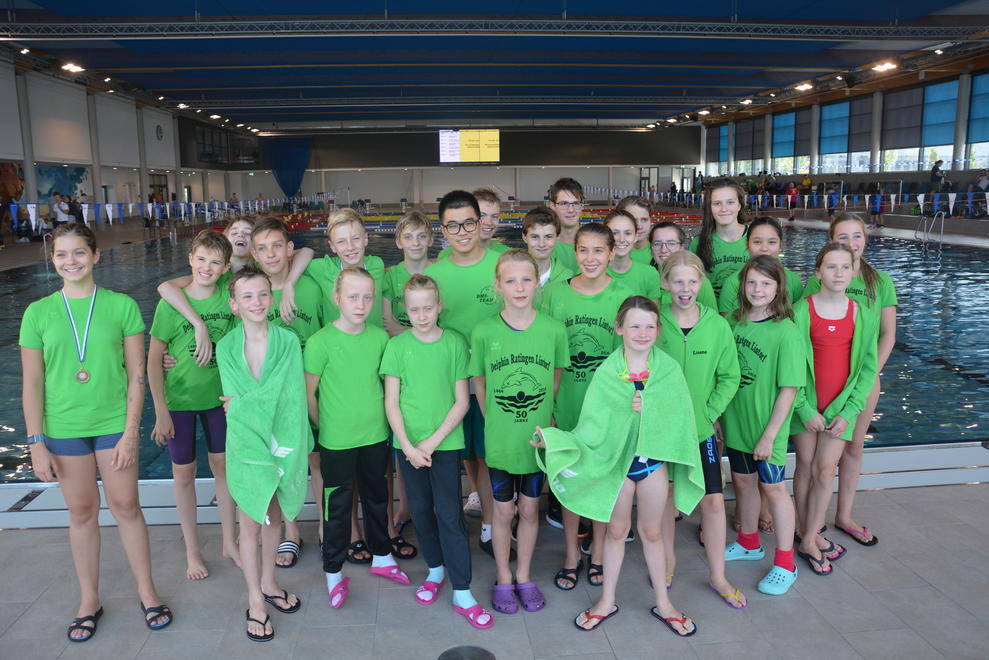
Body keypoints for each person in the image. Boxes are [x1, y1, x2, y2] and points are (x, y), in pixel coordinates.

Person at [20, 223, 172, 642]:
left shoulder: (122, 306)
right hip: (63, 427)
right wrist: (35, 442)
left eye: (78, 253)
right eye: (62, 254)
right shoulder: (37, 313)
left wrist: (130, 433)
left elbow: (137, 375)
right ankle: (89, 600)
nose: (71, 261)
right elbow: (32, 383)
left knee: (126, 506)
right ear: (53, 260)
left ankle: (147, 591)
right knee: (82, 512)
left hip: (112, 424)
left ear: (95, 256)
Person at [535, 296, 704, 636]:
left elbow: (681, 422)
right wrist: (555, 443)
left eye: (649, 326)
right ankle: (606, 600)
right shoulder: (607, 372)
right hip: (617, 463)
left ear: (658, 330)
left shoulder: (668, 370)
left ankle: (664, 603)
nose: (643, 333)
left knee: (652, 532)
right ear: (619, 328)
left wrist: (651, 406)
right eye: (635, 326)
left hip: (652, 462)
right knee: (615, 531)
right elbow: (591, 428)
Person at [380, 274, 494, 629]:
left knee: (449, 514)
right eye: (414, 309)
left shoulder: (454, 343)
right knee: (421, 511)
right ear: (405, 309)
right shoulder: (397, 347)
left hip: (443, 445)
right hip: (408, 447)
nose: (422, 315)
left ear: (439, 306)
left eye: (428, 308)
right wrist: (407, 445)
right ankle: (435, 570)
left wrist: (430, 442)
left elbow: (462, 402)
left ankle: (462, 590)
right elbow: (392, 401)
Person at [470, 249, 569, 615]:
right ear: (498, 285)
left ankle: (524, 574)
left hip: (536, 438)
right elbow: (480, 384)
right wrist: (495, 421)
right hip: (501, 439)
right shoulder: (484, 331)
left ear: (537, 283)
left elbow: (555, 379)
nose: (520, 287)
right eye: (510, 280)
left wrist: (542, 419)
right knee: (503, 512)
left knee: (529, 509)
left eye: (527, 279)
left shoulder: (553, 330)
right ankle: (503, 575)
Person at [216, 266, 312, 642]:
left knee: (273, 514)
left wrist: (243, 404)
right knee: (250, 521)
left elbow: (290, 397)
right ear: (234, 305)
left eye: (262, 294)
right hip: (246, 443)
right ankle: (255, 599)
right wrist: (243, 406)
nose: (256, 302)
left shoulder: (287, 341)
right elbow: (237, 406)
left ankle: (270, 582)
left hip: (280, 436)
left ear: (272, 299)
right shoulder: (227, 347)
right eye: (247, 296)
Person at [305, 267, 409, 609]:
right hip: (337, 441)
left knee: (378, 498)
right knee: (337, 507)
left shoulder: (380, 338)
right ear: (337, 298)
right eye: (353, 297)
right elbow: (309, 395)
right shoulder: (320, 342)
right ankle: (333, 571)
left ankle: (382, 556)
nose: (361, 304)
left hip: (376, 436)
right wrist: (327, 426)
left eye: (367, 297)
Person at [541, 223, 630, 591]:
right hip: (565, 403)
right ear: (574, 252)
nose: (590, 258)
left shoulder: (623, 296)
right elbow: (545, 353)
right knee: (570, 481)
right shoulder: (554, 293)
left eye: (598, 250)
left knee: (603, 481)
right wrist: (547, 406)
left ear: (612, 253)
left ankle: (598, 553)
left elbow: (630, 359)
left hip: (607, 410)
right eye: (583, 250)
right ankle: (571, 555)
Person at [147, 230, 238, 580]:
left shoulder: (228, 296)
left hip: (218, 400)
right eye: (200, 259)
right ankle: (193, 550)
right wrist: (160, 411)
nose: (206, 267)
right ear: (190, 259)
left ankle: (229, 541)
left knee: (224, 468)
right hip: (179, 402)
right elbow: (153, 360)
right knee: (183, 473)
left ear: (226, 267)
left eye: (215, 262)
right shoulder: (171, 304)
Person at [803, 213, 897, 547]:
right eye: (842, 237)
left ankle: (844, 516)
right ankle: (813, 522)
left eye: (856, 236)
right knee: (819, 457)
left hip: (864, 380)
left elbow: (888, 335)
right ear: (831, 241)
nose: (851, 243)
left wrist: (868, 376)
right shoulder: (820, 278)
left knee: (854, 447)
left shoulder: (879, 281)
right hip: (825, 379)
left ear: (865, 239)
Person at [657, 252, 745, 609]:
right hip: (661, 430)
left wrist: (708, 413)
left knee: (713, 500)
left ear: (702, 283)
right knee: (664, 498)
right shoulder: (654, 322)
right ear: (665, 283)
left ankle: (718, 574)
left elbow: (730, 376)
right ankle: (667, 561)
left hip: (700, 430)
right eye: (678, 281)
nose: (685, 288)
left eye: (692, 281)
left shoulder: (717, 326)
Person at [791, 243, 879, 576]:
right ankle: (806, 531)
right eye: (831, 266)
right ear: (818, 272)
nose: (838, 273)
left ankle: (809, 538)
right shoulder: (801, 310)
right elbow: (791, 365)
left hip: (841, 409)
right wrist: (804, 409)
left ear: (854, 271)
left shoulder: (861, 313)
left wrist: (849, 411)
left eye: (845, 267)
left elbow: (867, 369)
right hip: (806, 407)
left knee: (826, 471)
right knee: (805, 466)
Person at [425, 190, 502, 558]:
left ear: (480, 222)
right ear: (443, 230)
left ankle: (491, 524)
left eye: (469, 222)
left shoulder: (501, 265)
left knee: (489, 453)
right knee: (465, 453)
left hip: (495, 379)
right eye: (453, 225)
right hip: (450, 380)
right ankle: (472, 519)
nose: (463, 231)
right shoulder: (434, 274)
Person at [721, 255, 804, 596]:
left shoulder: (787, 332)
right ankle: (749, 541)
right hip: (737, 422)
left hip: (767, 428)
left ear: (779, 288)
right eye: (752, 282)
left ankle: (786, 563)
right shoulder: (733, 322)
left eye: (766, 283)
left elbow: (789, 390)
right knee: (743, 482)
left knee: (774, 489)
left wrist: (770, 435)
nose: (757, 289)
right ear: (742, 285)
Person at [248, 217, 326, 568]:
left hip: (312, 389)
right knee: (283, 465)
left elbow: (325, 333)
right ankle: (291, 532)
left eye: (277, 245)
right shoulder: (254, 292)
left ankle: (325, 528)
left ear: (289, 248)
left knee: (318, 461)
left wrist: (291, 284)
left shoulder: (310, 286)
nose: (271, 254)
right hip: (275, 397)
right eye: (262, 248)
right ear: (253, 254)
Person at [307, 208, 386, 327]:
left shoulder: (377, 265)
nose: (350, 247)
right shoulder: (324, 268)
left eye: (356, 238)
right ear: (332, 246)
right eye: (341, 242)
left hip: (375, 338)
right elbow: (298, 254)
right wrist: (289, 283)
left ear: (365, 239)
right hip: (336, 339)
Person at [718, 216, 803, 319]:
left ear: (780, 245)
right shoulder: (733, 283)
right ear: (747, 244)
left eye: (772, 242)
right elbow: (726, 325)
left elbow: (799, 318)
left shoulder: (793, 280)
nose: (764, 248)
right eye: (757, 242)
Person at [689, 179, 749, 298]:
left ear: (740, 205)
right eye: (717, 203)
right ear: (709, 207)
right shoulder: (698, 244)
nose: (724, 209)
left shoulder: (757, 238)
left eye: (730, 202)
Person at [383, 210, 434, 336]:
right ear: (399, 242)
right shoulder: (390, 277)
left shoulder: (440, 274)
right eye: (408, 237)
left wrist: (401, 329)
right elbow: (388, 326)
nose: (415, 243)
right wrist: (427, 331)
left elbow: (444, 323)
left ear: (431, 240)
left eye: (422, 236)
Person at [649, 222, 718, 309]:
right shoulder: (644, 278)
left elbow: (711, 315)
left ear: (682, 247)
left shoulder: (698, 281)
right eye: (657, 244)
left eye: (671, 243)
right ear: (651, 248)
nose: (663, 250)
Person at [604, 210, 662, 300]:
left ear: (635, 237)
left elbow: (652, 309)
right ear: (605, 236)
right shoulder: (590, 272)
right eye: (614, 233)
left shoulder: (649, 274)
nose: (622, 239)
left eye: (628, 233)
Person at [439, 188, 509, 258]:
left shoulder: (507, 254)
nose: (489, 223)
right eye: (482, 215)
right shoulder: (446, 255)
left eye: (494, 216)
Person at [521, 206, 573, 287]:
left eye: (548, 237)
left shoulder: (569, 278)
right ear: (524, 237)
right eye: (535, 237)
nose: (541, 244)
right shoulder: (509, 275)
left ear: (557, 238)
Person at [547, 177, 585, 273]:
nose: (571, 210)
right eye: (564, 203)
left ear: (582, 206)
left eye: (575, 203)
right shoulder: (543, 246)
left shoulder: (595, 243)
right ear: (552, 206)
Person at [615, 195, 654, 264]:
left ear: (651, 221)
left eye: (644, 220)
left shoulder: (661, 251)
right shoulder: (608, 254)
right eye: (633, 220)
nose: (639, 226)